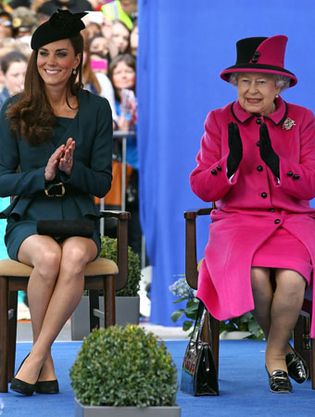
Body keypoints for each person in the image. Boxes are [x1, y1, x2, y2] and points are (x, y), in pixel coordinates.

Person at [190, 35, 315, 394]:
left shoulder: (303, 120)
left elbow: (310, 185)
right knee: (256, 277)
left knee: (292, 279)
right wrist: (226, 167)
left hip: (291, 222)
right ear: (234, 83)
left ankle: (275, 352)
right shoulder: (218, 121)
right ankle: (281, 353)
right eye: (244, 80)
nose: (252, 89)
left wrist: (281, 167)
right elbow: (201, 186)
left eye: (261, 81)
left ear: (280, 85)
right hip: (238, 223)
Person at [0, 9, 113, 396]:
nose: (52, 62)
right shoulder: (15, 108)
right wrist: (43, 176)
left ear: (77, 59)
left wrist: (70, 169)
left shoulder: (97, 109)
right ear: (35, 59)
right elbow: (1, 180)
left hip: (79, 216)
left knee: (75, 256)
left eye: (61, 54)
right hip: (29, 217)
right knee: (48, 258)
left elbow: (102, 181)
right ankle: (41, 360)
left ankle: (34, 357)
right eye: (44, 53)